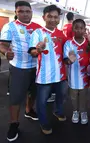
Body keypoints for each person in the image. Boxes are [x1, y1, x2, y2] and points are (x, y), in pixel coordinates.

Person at [0, 1, 41, 141]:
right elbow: (2, 44)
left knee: (33, 92)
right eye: (21, 11)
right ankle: (13, 124)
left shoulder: (38, 28)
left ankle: (29, 110)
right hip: (18, 68)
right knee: (15, 98)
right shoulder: (9, 26)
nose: (24, 14)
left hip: (36, 67)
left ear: (31, 12)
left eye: (27, 11)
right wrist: (5, 52)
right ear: (16, 13)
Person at [29, 4, 67, 134]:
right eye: (49, 16)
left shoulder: (61, 34)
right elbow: (32, 51)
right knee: (42, 102)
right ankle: (43, 122)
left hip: (61, 75)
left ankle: (57, 111)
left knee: (61, 96)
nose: (53, 19)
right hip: (44, 76)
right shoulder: (37, 33)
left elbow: (67, 51)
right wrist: (37, 50)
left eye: (55, 17)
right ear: (44, 17)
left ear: (58, 19)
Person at [63, 19, 90, 125]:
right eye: (76, 27)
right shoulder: (68, 43)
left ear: (84, 29)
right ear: (72, 29)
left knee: (83, 96)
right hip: (73, 78)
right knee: (73, 97)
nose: (79, 30)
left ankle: (83, 112)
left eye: (81, 28)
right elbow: (65, 60)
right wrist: (69, 61)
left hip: (85, 78)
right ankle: (75, 111)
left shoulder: (88, 42)